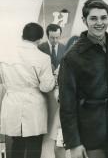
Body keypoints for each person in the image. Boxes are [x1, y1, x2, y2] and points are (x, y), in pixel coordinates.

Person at [58, 0, 108, 158]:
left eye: (103, 17)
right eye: (93, 18)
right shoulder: (72, 57)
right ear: (84, 20)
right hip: (89, 133)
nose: (99, 23)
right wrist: (74, 143)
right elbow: (67, 104)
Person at [0, 22, 55, 158]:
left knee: (16, 143)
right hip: (33, 106)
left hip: (11, 103)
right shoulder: (43, 58)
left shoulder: (4, 56)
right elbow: (46, 86)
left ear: (22, 36)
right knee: (34, 145)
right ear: (40, 39)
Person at [38, 23, 65, 158]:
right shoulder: (40, 48)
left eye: (57, 37)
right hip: (44, 91)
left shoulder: (64, 48)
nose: (55, 40)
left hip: (59, 90)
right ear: (47, 35)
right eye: (52, 37)